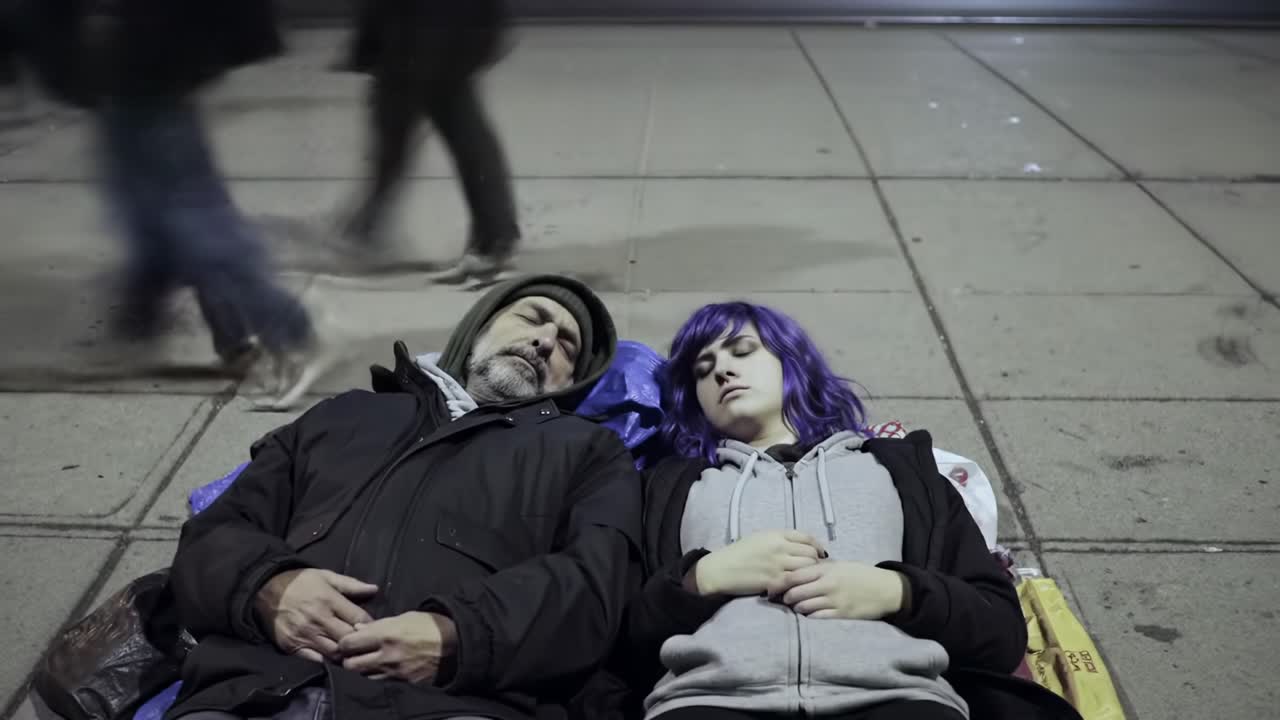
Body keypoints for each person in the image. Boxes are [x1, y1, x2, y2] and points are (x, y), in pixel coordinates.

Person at [163, 274, 642, 720]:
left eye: (566, 346)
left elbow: (594, 588)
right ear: (477, 328)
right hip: (253, 693)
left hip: (452, 705)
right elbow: (214, 534)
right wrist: (268, 588)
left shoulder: (587, 452)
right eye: (532, 318)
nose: (544, 341)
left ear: (572, 381)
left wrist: (460, 637)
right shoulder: (345, 414)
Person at [620, 301, 1081, 720]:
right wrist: (702, 579)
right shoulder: (673, 486)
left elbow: (999, 629)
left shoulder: (901, 470)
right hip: (708, 701)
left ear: (791, 362)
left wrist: (898, 591)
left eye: (742, 350)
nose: (722, 371)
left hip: (896, 698)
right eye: (704, 369)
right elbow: (619, 634)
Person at [10, 1, 325, 392]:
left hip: (135, 53)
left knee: (185, 213)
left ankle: (291, 330)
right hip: (132, 54)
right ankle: (159, 333)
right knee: (153, 215)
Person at [339, 0, 521, 284]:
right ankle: (495, 236)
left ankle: (365, 228)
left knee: (438, 122)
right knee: (452, 124)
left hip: (425, 28)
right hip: (440, 28)